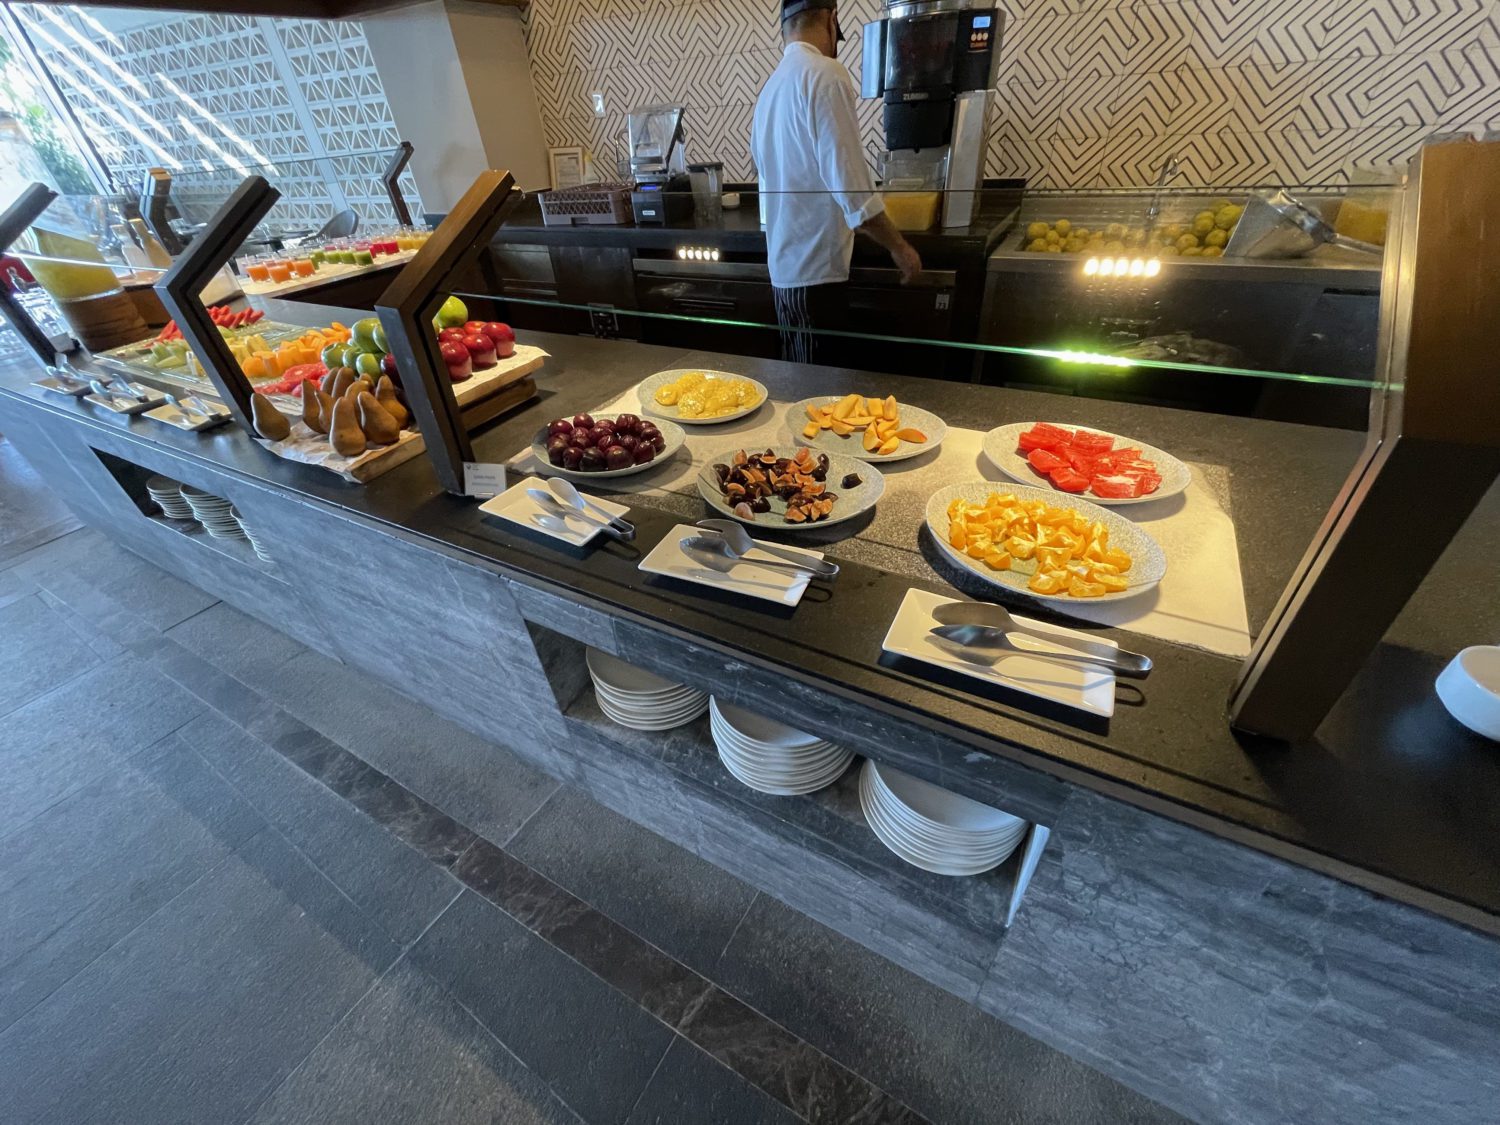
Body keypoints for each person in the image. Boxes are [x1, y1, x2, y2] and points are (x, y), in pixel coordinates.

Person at [752, 0, 922, 365]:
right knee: (820, 396)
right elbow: (852, 186)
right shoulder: (825, 73)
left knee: (801, 380)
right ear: (832, 20)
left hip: (785, 269)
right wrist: (900, 248)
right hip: (817, 272)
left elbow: (767, 184)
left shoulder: (769, 90)